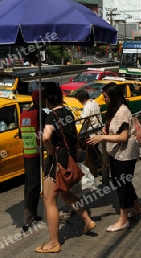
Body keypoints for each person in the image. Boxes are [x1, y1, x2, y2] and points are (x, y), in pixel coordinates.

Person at [35, 83, 95, 253]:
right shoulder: (68, 113)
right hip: (69, 156)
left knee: (49, 200)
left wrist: (51, 151)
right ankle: (87, 220)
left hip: (57, 160)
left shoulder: (51, 116)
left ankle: (54, 242)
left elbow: (46, 136)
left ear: (48, 99)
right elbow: (75, 138)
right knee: (65, 193)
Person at [87, 82, 141, 232]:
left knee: (122, 185)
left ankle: (123, 219)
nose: (104, 99)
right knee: (123, 182)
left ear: (113, 96)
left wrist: (102, 138)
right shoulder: (115, 110)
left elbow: (123, 137)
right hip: (117, 153)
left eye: (106, 96)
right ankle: (137, 207)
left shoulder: (123, 112)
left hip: (125, 154)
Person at [20, 90, 46, 232]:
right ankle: (27, 220)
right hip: (36, 155)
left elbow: (20, 133)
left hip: (27, 154)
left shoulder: (24, 114)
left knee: (29, 186)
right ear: (37, 101)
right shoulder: (39, 114)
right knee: (34, 187)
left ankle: (33, 214)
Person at [76, 89, 103, 175]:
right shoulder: (94, 103)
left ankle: (100, 169)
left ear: (82, 99)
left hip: (90, 133)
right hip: (97, 131)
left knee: (92, 153)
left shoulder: (87, 107)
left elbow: (84, 121)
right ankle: (100, 168)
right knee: (95, 152)